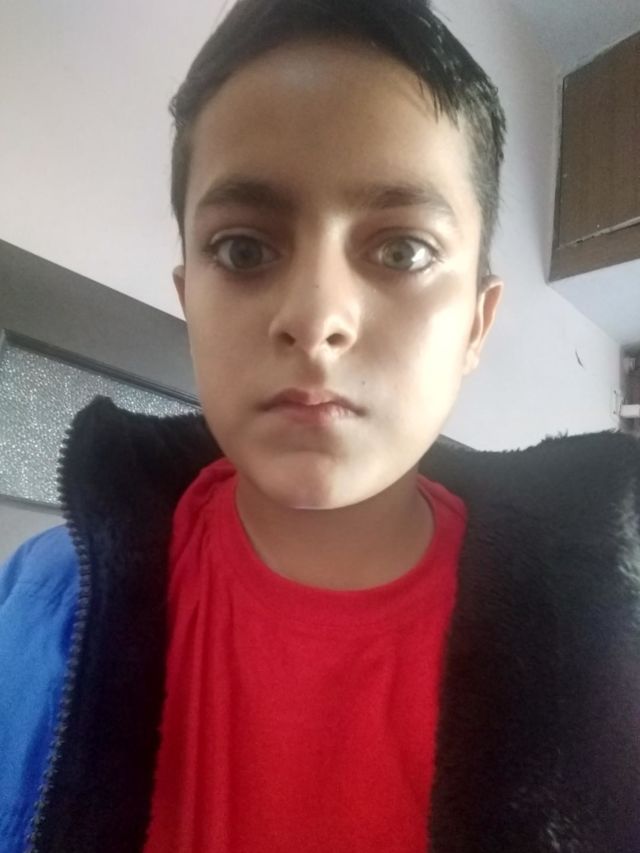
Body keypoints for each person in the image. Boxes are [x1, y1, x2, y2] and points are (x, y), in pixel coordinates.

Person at [1, 0, 639, 850]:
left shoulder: (606, 673)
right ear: (190, 301)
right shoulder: (38, 595)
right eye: (243, 249)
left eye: (403, 250)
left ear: (476, 325)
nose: (315, 317)